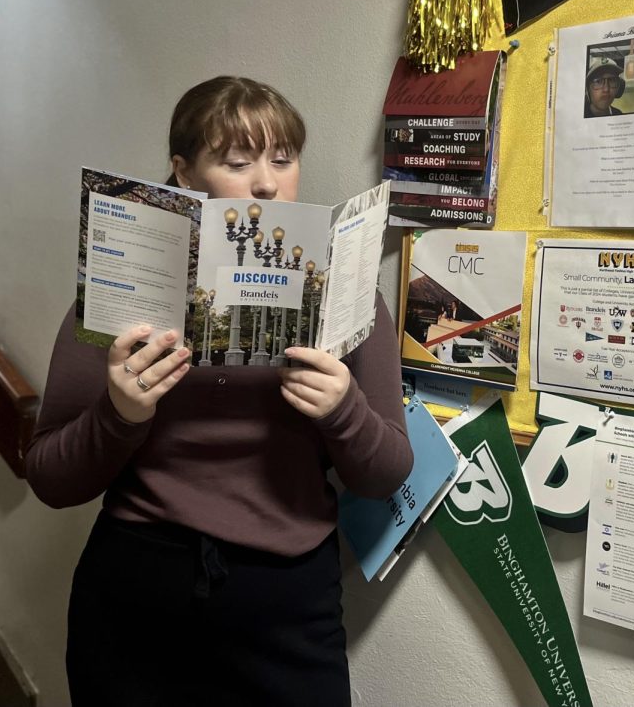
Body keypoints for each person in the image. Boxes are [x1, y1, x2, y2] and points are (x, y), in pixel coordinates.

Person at [26, 76, 414, 707]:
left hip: (289, 598)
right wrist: (119, 415)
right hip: (137, 589)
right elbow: (49, 478)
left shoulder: (347, 297)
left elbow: (387, 473)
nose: (266, 183)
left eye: (282, 160)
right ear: (184, 174)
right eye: (237, 162)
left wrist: (345, 411)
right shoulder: (119, 296)